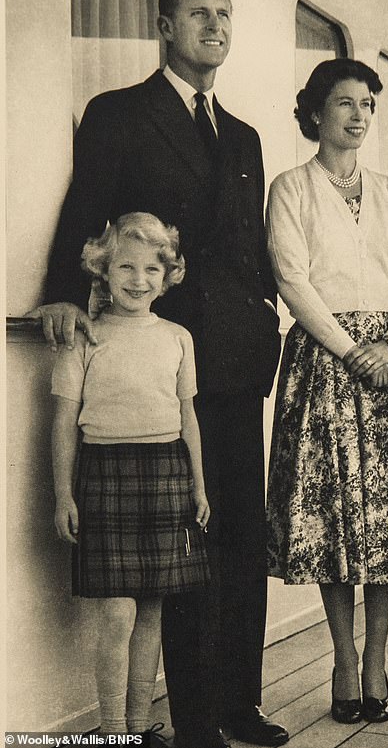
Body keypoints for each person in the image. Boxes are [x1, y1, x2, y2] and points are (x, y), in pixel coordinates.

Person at [29, 0, 286, 748]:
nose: (216, 26)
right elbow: (85, 207)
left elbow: (248, 244)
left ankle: (240, 701)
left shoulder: (242, 134)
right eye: (200, 13)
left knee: (240, 529)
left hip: (237, 356)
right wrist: (63, 290)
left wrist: (271, 312)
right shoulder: (119, 114)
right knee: (188, 542)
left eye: (226, 15)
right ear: (164, 25)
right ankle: (196, 717)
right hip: (160, 354)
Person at [265, 58, 388, 725]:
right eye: (344, 102)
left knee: (386, 517)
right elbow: (291, 277)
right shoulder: (292, 187)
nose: (359, 113)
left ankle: (377, 659)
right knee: (337, 514)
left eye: (367, 102)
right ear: (315, 112)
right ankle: (343, 659)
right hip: (325, 361)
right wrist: (352, 351)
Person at [51, 213, 210, 743]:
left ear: (167, 276)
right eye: (125, 266)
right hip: (104, 475)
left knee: (150, 616)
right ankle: (113, 731)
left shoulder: (179, 337)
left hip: (167, 476)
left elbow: (189, 419)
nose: (138, 279)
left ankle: (141, 730)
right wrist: (62, 497)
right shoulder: (84, 338)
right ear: (102, 270)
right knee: (117, 616)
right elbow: (63, 423)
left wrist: (200, 487)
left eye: (151, 268)